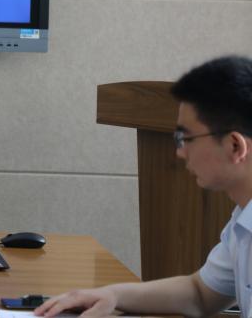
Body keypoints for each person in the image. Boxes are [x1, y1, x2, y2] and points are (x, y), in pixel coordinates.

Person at [37, 55, 252, 318]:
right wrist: (112, 295)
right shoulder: (243, 219)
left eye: (186, 138)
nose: (180, 152)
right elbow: (199, 294)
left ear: (235, 146)